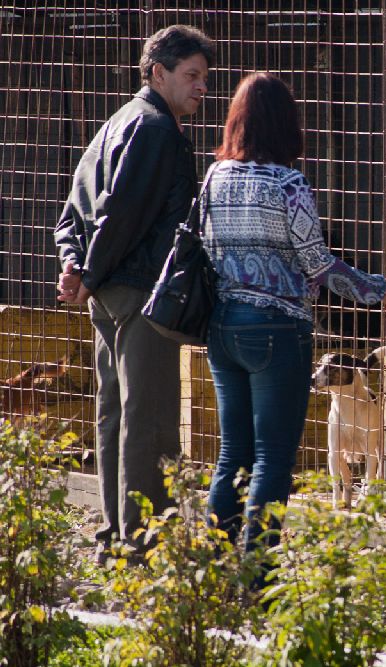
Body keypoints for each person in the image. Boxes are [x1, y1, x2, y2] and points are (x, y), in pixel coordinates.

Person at [201, 72, 386, 556]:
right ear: (287, 125)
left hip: (224, 325)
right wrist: (380, 289)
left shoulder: (214, 177)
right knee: (274, 457)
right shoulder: (289, 183)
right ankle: (259, 572)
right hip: (278, 329)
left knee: (232, 453)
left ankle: (211, 567)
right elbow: (317, 263)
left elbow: (206, 248)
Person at [53, 25, 215, 563]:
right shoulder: (156, 129)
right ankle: (143, 546)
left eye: (204, 78)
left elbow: (74, 206)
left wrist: (75, 265)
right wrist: (89, 271)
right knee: (148, 421)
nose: (201, 89)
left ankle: (114, 538)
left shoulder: (117, 121)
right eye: (192, 76)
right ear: (158, 73)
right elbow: (122, 213)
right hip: (141, 296)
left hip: (108, 296)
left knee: (115, 415)